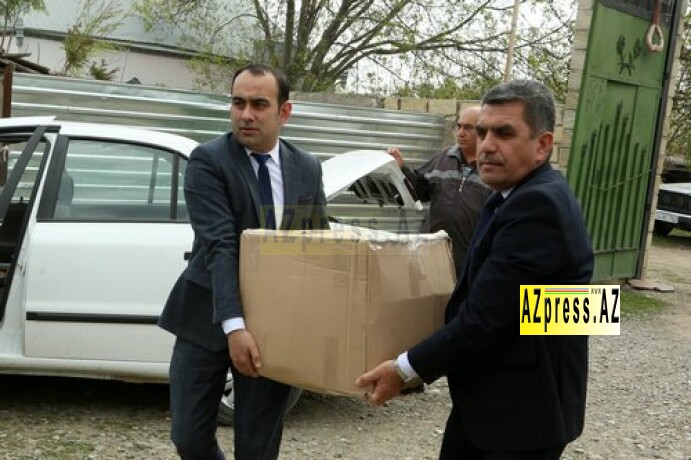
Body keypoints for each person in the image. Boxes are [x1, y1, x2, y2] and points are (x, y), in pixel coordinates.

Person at [357, 80, 594, 459]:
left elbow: (487, 319)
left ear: (542, 145)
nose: (486, 145)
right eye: (482, 132)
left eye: (504, 133)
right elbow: (563, 305)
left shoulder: (537, 203)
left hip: (520, 416)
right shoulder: (513, 194)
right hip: (492, 399)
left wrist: (404, 369)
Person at [159, 63, 328, 460]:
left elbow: (314, 244)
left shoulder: (306, 167)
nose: (246, 114)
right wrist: (234, 326)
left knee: (258, 446)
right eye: (238, 103)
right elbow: (220, 245)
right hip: (207, 314)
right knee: (189, 437)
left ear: (284, 112)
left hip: (276, 324)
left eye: (258, 104)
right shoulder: (208, 161)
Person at [388, 106, 490, 277]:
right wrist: (401, 169)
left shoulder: (492, 166)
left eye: (468, 128)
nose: (460, 133)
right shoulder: (443, 158)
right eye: (459, 126)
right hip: (433, 255)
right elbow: (419, 191)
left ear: (484, 131)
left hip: (471, 262)